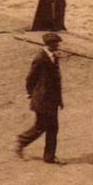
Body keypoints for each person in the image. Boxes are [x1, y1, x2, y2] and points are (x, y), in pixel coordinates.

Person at [15, 32, 65, 165]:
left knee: (52, 128)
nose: (58, 45)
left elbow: (56, 82)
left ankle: (49, 157)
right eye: (56, 43)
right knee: (41, 127)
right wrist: (31, 93)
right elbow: (30, 78)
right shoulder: (40, 58)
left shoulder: (53, 56)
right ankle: (21, 141)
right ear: (49, 44)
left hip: (51, 100)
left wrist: (59, 100)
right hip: (42, 100)